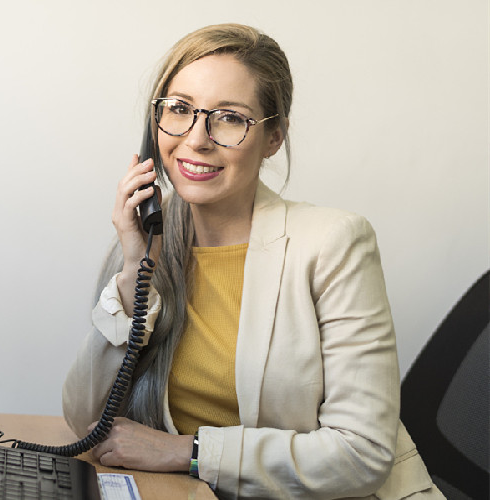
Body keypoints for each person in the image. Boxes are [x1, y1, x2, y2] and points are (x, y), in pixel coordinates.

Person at [62, 23, 443, 499]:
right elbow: (86, 420)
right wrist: (133, 270)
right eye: (179, 110)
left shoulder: (334, 245)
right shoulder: (148, 245)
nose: (197, 139)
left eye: (229, 118)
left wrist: (187, 451)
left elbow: (360, 454)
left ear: (273, 138)